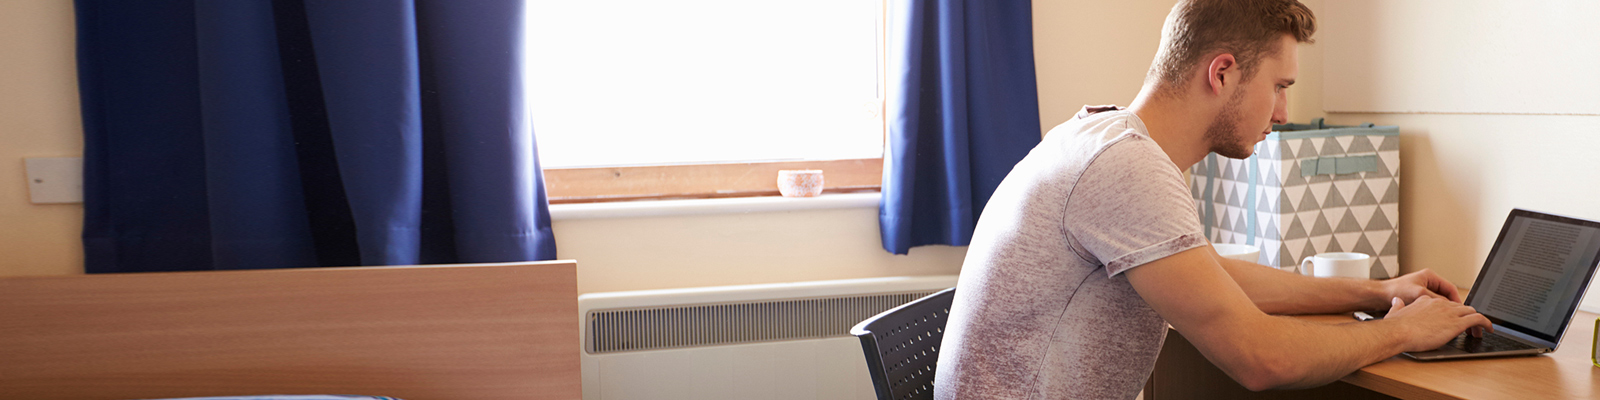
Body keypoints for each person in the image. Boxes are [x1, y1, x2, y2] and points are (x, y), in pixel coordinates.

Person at [933, 1, 1493, 399]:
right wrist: (1403, 330)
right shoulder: (1126, 168)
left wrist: (1379, 293)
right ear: (1222, 72)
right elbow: (1261, 359)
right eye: (1279, 87)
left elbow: (1214, 279)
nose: (1283, 114)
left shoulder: (1097, 136)